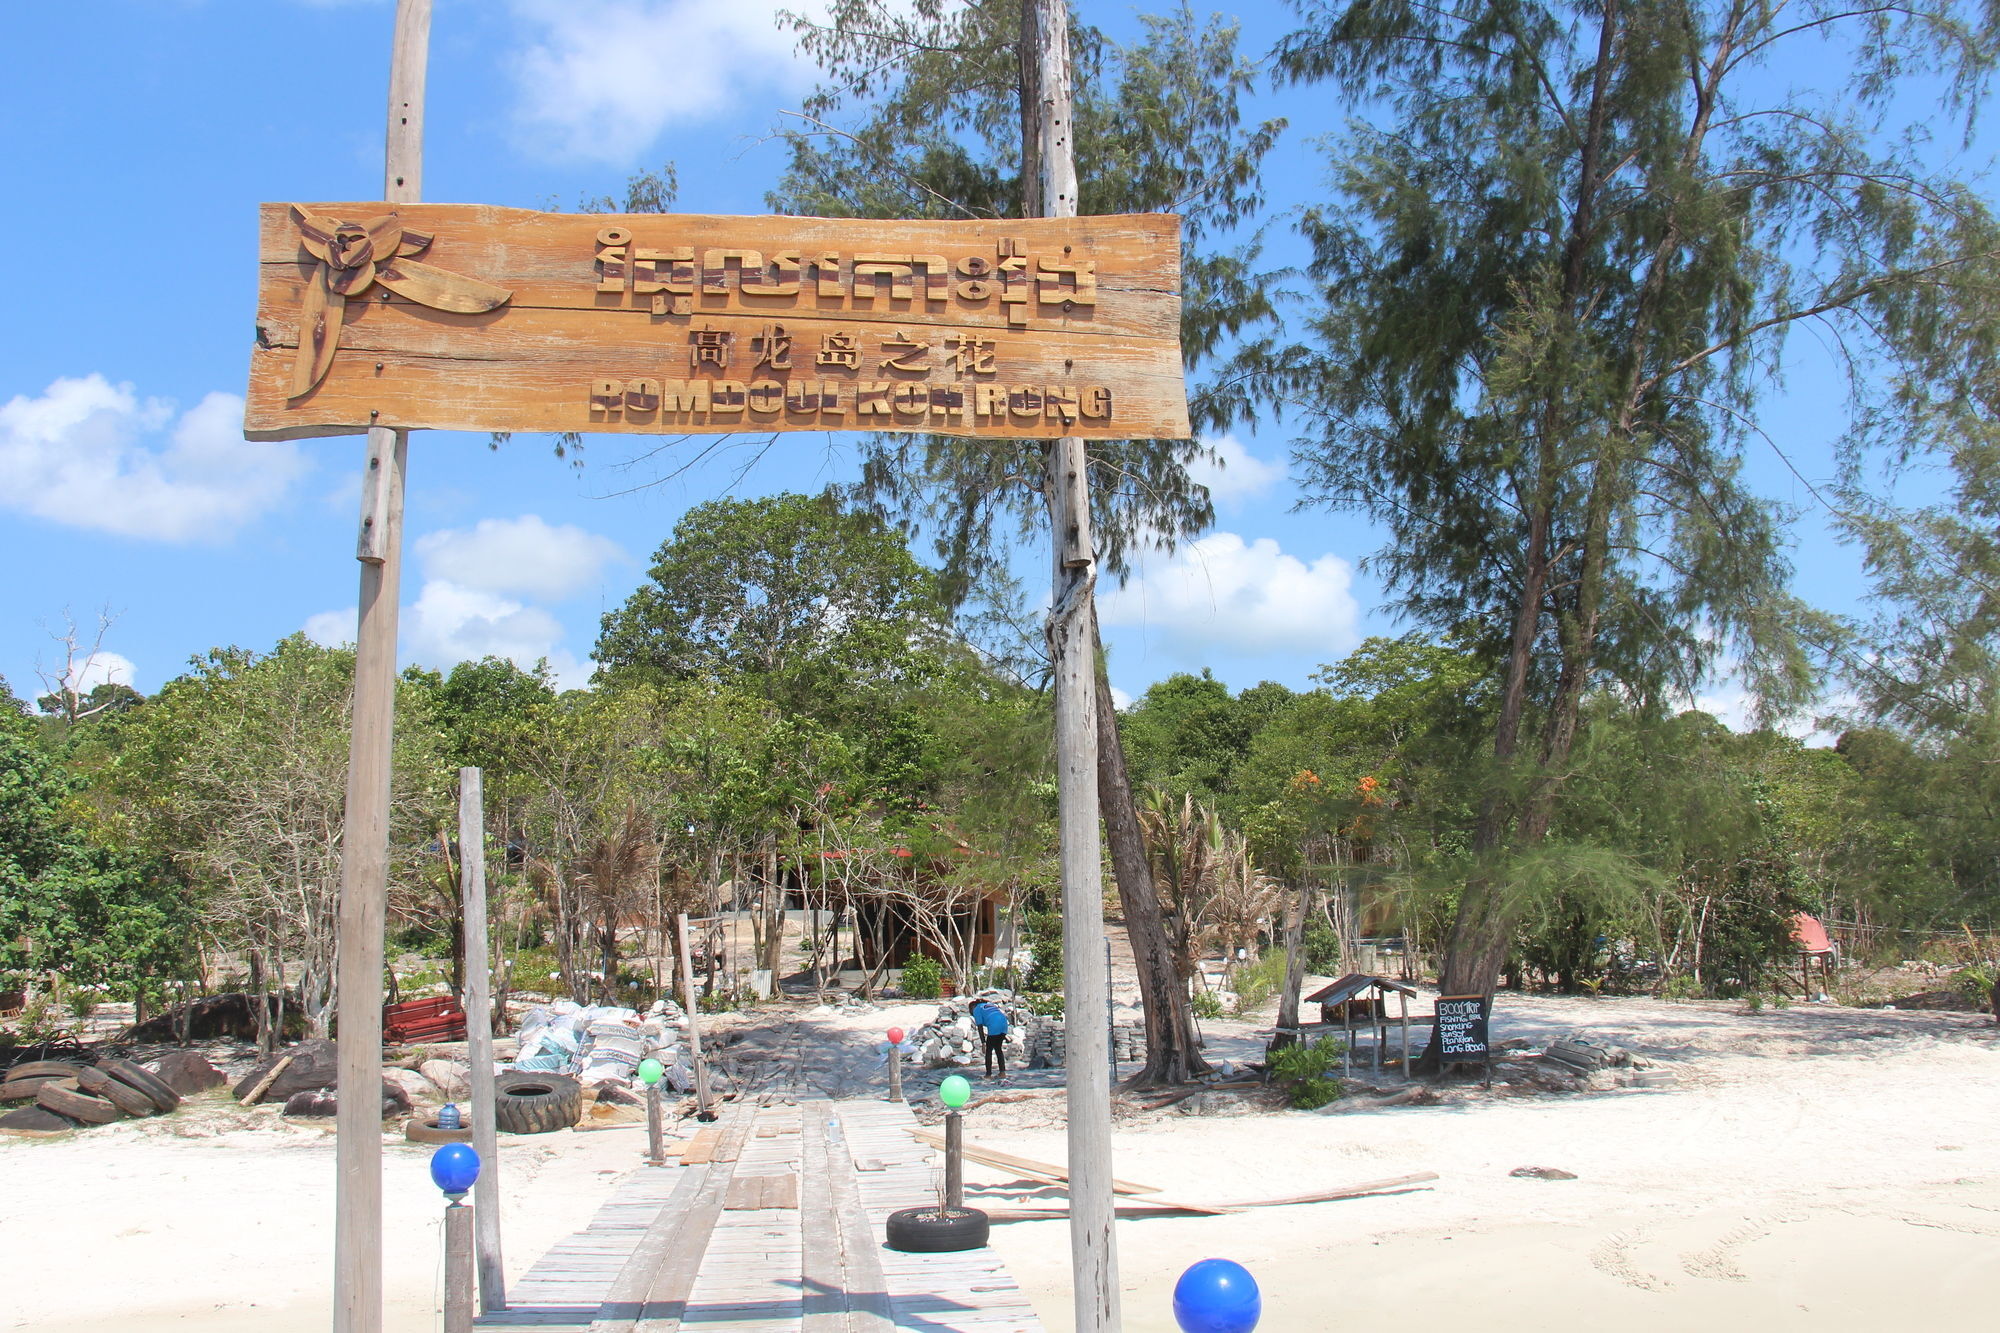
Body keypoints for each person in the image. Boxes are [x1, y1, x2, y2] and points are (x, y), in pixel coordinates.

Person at [971, 999, 1010, 1078]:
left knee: (988, 1051)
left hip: (994, 1025)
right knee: (998, 1049)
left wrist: (983, 1043)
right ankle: (1002, 1073)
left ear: (972, 1007)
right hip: (1004, 1024)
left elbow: (980, 1027)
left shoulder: (976, 1009)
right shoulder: (989, 1005)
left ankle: (988, 1074)